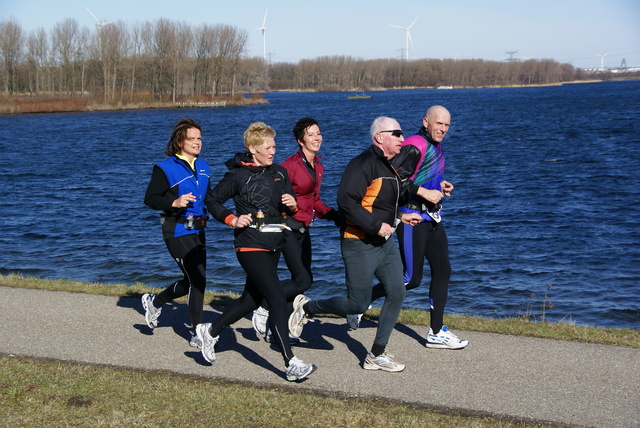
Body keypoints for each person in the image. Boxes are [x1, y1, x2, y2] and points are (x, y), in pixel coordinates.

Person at [288, 116, 422, 372]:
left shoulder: (390, 166)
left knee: (397, 291)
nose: (402, 139)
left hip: (384, 243)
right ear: (380, 137)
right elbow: (346, 202)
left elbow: (380, 204)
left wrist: (399, 216)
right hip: (358, 242)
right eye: (397, 134)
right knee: (357, 304)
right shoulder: (362, 164)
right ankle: (306, 307)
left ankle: (376, 354)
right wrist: (374, 225)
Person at [196, 122, 317, 382]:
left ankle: (211, 330)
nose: (272, 151)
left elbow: (288, 206)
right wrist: (231, 219)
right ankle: (290, 363)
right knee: (274, 298)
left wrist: (293, 204)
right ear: (252, 149)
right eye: (267, 147)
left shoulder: (280, 172)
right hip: (250, 244)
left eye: (274, 146)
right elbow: (212, 200)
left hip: (278, 239)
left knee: (254, 299)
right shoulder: (238, 176)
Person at [361, 106, 468, 349]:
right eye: (438, 123)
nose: (442, 129)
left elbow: (421, 176)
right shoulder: (414, 145)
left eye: (447, 125)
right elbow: (394, 181)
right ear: (426, 122)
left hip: (431, 218)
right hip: (411, 218)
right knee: (411, 278)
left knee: (443, 271)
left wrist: (440, 185)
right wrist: (424, 193)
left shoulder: (435, 146)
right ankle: (361, 300)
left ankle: (436, 331)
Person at [251, 117, 341, 340]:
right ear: (300, 140)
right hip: (288, 228)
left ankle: (276, 329)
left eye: (318, 133)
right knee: (303, 280)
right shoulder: (289, 166)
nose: (316, 138)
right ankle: (264, 305)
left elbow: (315, 201)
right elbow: (274, 197)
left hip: (304, 229)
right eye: (311, 134)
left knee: (300, 281)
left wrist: (337, 216)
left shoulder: (318, 166)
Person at [142, 118, 210, 348]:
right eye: (192, 139)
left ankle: (155, 301)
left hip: (198, 229)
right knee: (197, 280)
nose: (197, 142)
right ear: (180, 142)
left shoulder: (204, 167)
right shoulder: (165, 168)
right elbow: (150, 199)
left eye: (199, 138)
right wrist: (175, 202)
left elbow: (209, 198)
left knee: (195, 279)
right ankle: (197, 333)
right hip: (176, 229)